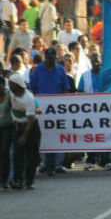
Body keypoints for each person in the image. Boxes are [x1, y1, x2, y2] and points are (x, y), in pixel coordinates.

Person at [30, 47, 70, 175]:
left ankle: (58, 164)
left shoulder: (61, 70)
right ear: (45, 58)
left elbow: (65, 89)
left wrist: (63, 104)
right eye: (49, 58)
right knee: (44, 135)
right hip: (42, 109)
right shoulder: (38, 70)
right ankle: (44, 163)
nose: (51, 61)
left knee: (59, 135)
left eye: (53, 59)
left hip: (58, 110)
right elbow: (32, 89)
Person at [8, 73, 40, 190]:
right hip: (18, 125)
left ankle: (29, 180)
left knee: (32, 155)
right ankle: (17, 180)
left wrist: (24, 136)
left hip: (30, 128)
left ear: (18, 85)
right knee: (17, 154)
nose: (10, 86)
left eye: (12, 84)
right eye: (10, 84)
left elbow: (30, 120)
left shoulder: (29, 99)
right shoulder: (11, 93)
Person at [0, 80, 13, 190]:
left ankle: (4, 180)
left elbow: (15, 107)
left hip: (7, 126)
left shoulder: (9, 95)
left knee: (4, 152)